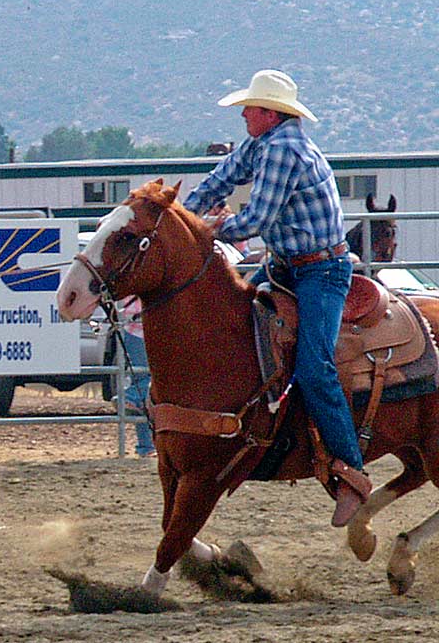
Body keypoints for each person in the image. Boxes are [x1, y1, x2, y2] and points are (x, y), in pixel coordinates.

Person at [182, 69, 370, 528]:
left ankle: (352, 473)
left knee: (314, 365)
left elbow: (258, 217)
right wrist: (183, 217)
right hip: (289, 266)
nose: (244, 113)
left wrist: (205, 230)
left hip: (320, 272)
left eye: (250, 107)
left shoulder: (284, 149)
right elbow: (221, 178)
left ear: (271, 113)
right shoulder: (263, 144)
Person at [119, 296, 155, 458]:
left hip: (136, 328)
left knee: (141, 382)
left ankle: (146, 446)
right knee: (147, 381)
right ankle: (130, 396)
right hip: (144, 325)